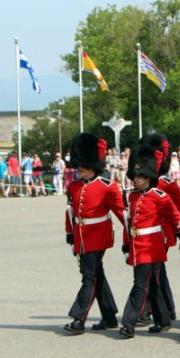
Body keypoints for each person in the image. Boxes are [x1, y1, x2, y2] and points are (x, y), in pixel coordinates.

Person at [118, 143, 180, 338]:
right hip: (138, 244)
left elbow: (175, 218)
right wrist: (126, 245)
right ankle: (163, 320)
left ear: (149, 177)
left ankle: (128, 323)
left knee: (140, 284)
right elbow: (129, 222)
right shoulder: (132, 196)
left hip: (152, 245)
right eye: (136, 176)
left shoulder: (160, 196)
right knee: (154, 284)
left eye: (141, 176)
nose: (137, 180)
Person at [63, 133, 126, 335]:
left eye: (84, 164)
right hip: (82, 236)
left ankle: (78, 318)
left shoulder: (107, 187)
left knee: (88, 277)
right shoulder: (74, 187)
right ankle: (109, 316)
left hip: (98, 236)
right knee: (96, 274)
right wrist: (71, 234)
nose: (80, 168)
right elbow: (71, 212)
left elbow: (122, 213)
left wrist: (134, 234)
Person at [138, 132, 180, 324]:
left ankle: (147, 309)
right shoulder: (143, 184)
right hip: (147, 233)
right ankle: (168, 308)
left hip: (162, 233)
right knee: (158, 271)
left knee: (150, 271)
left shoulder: (166, 183)